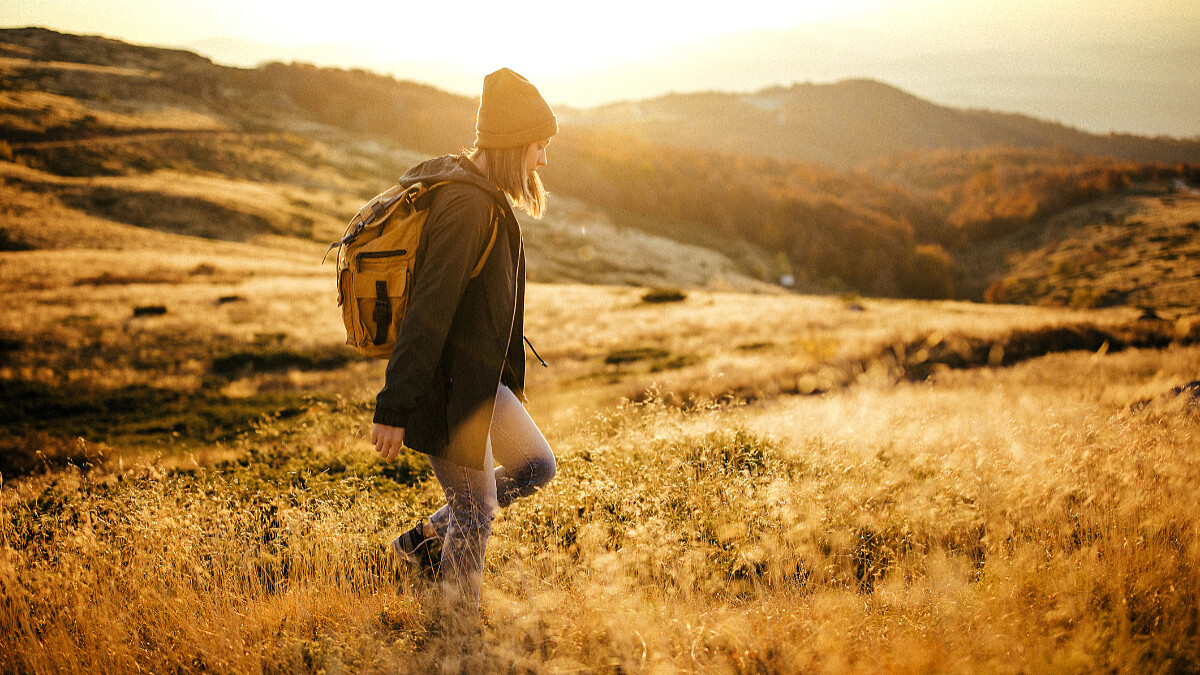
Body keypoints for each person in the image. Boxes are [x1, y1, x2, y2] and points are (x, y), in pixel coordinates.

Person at [370, 68, 558, 610]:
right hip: (447, 389)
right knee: (475, 511)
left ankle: (417, 544)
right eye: (538, 146)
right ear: (510, 143)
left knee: (536, 467)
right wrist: (394, 407)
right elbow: (426, 314)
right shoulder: (467, 207)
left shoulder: (481, 193)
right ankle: (456, 640)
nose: (542, 160)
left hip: (477, 382)